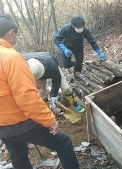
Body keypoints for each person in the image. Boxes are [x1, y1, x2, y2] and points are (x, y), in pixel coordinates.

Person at [0, 14, 83, 169]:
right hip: (20, 122)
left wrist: (52, 97)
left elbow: (56, 81)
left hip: (2, 127)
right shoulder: (12, 58)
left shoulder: (48, 64)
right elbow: (26, 98)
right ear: (11, 33)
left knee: (18, 156)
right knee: (63, 143)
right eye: (16, 35)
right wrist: (49, 120)